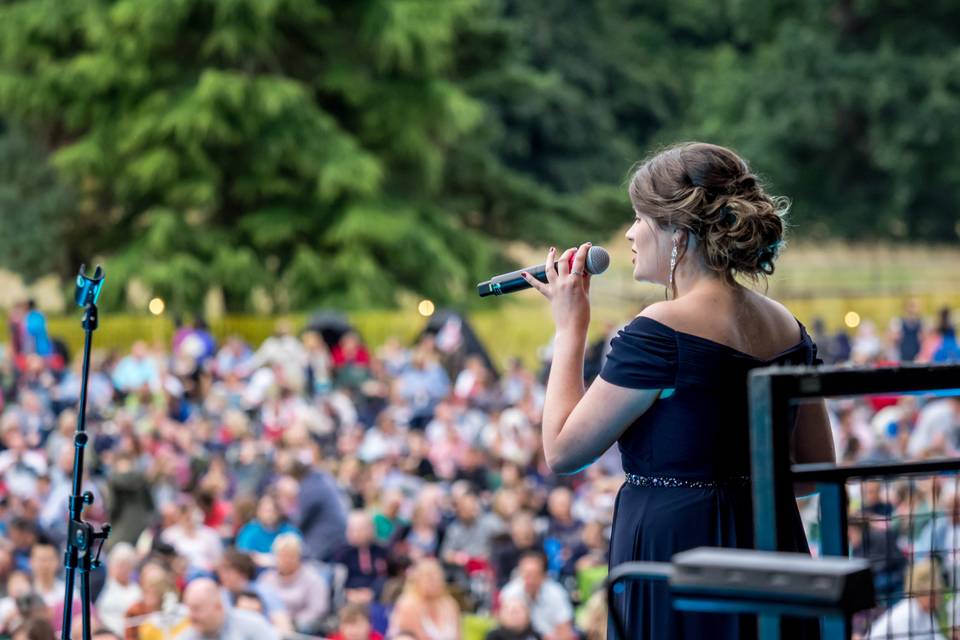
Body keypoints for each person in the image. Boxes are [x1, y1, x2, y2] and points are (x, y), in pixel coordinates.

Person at [521, 142, 835, 639]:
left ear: (679, 234)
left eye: (640, 217)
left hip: (679, 554)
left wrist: (569, 329)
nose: (628, 232)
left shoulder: (661, 331)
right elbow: (814, 469)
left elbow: (562, 451)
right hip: (770, 546)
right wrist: (736, 485)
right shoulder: (788, 327)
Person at [499, 551, 574, 640]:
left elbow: (565, 630)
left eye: (534, 575)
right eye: (525, 574)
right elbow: (502, 626)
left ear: (544, 575)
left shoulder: (556, 593)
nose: (529, 580)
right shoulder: (509, 592)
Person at [181, 577, 279, 640]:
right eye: (188, 608)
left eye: (196, 609)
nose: (191, 616)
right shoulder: (190, 633)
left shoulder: (252, 624)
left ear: (218, 607)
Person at [387, 558, 461, 640]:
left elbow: (459, 636)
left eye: (437, 577)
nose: (434, 582)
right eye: (429, 577)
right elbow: (412, 636)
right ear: (417, 580)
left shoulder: (450, 604)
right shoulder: (408, 604)